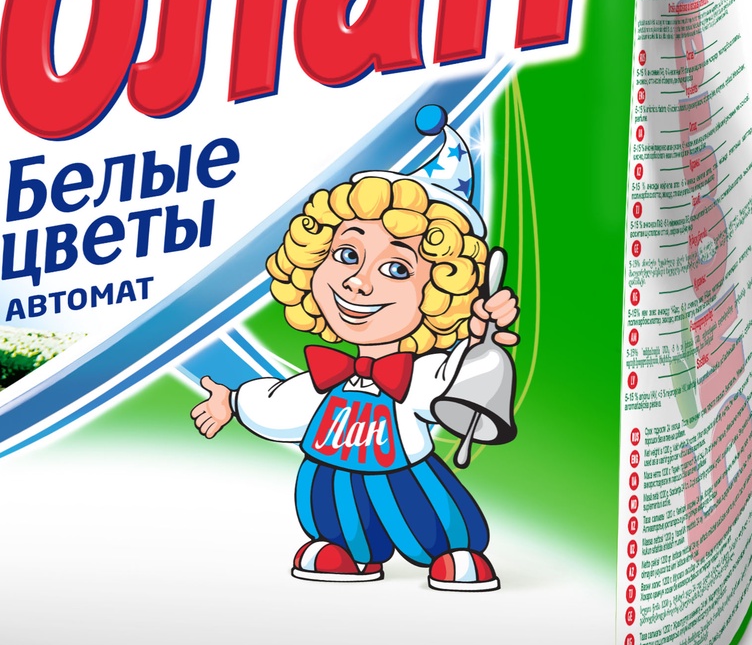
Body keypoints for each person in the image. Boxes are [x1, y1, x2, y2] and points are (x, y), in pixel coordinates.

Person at [191, 170, 520, 590]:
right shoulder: (323, 381)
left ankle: (453, 551)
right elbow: (279, 403)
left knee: (425, 506)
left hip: (403, 472)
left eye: (397, 268)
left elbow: (451, 380)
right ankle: (349, 551)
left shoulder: (417, 374)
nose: (358, 283)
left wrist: (478, 339)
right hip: (333, 470)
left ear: (439, 293)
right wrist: (233, 402)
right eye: (347, 255)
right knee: (327, 498)